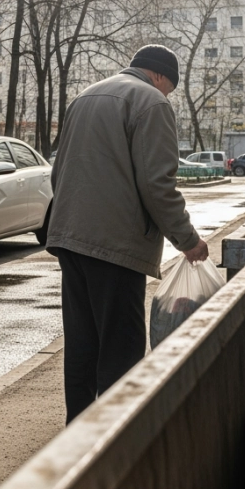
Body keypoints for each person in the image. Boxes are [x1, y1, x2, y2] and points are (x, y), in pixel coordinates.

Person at [46, 44, 209, 423]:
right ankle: (114, 440)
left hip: (70, 238)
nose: (167, 94)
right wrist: (188, 241)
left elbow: (59, 171)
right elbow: (157, 185)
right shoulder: (151, 102)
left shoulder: (86, 97)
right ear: (159, 75)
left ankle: (79, 436)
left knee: (83, 344)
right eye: (169, 87)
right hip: (115, 245)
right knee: (122, 349)